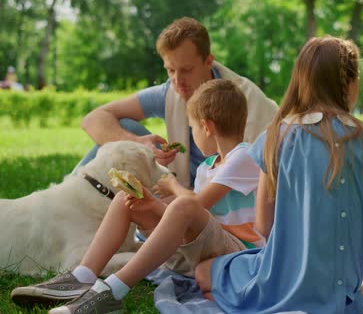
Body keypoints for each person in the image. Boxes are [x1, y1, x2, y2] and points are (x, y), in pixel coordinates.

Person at [11, 79, 264, 313]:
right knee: (128, 199)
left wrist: (172, 186)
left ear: (207, 127)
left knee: (183, 205)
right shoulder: (209, 166)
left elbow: (196, 206)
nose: (193, 135)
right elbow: (194, 220)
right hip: (204, 248)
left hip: (239, 254)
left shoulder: (244, 157)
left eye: (193, 128)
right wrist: (150, 204)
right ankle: (82, 277)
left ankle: (112, 292)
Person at [194, 36, 363, 313]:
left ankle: (231, 299)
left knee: (203, 271)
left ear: (302, 80)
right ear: (350, 84)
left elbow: (264, 227)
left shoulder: (277, 137)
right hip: (342, 296)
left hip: (282, 283)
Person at [75, 17, 278, 189]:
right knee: (126, 128)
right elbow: (93, 119)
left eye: (187, 70)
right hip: (181, 191)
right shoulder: (170, 92)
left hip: (229, 201)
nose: (177, 80)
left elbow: (263, 174)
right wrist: (140, 144)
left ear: (209, 61)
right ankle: (68, 196)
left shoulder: (244, 99)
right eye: (170, 70)